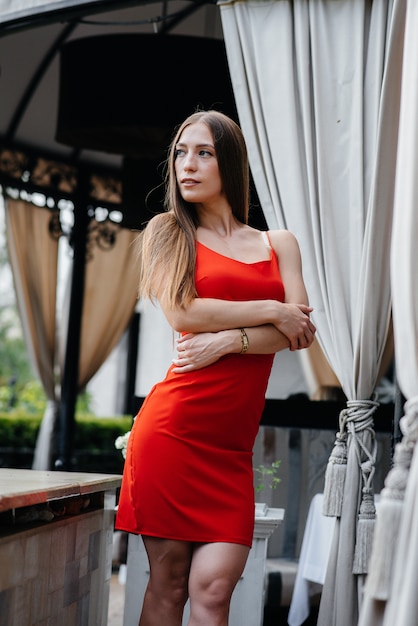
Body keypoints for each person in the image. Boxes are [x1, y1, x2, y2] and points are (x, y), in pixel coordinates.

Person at [115, 109, 316, 626]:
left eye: (203, 152)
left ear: (230, 160)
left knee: (214, 590)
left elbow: (300, 332)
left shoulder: (280, 245)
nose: (188, 164)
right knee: (169, 585)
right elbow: (183, 311)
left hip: (230, 451)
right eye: (181, 153)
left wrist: (229, 339)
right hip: (172, 432)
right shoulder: (167, 231)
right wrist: (270, 309)